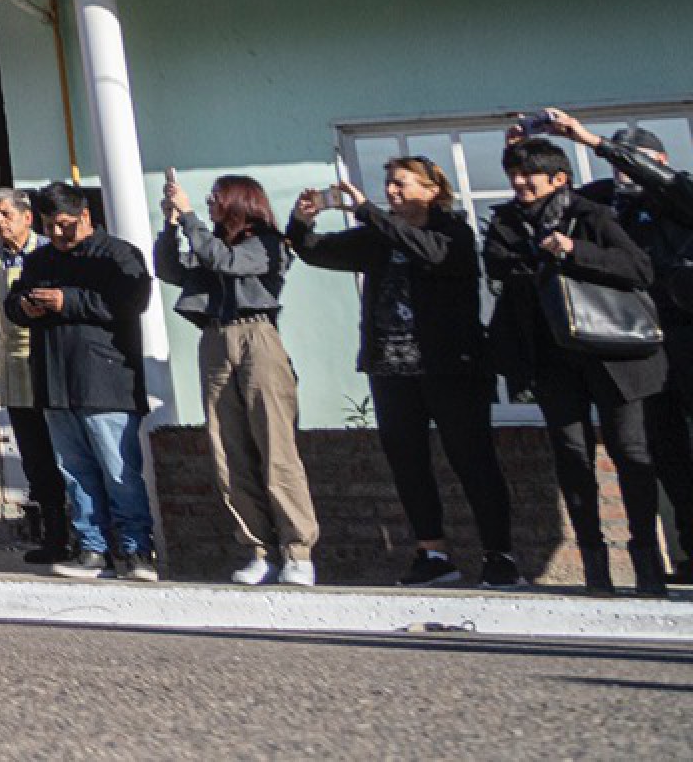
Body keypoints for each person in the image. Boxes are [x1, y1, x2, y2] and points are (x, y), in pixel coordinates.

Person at [288, 158, 513, 587]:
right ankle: (433, 554)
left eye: (401, 184)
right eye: (388, 183)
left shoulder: (453, 231)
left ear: (431, 190)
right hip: (391, 368)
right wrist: (301, 223)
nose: (391, 191)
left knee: (473, 460)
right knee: (408, 463)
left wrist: (367, 211)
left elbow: (428, 252)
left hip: (450, 368)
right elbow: (316, 251)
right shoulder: (377, 236)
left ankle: (499, 554)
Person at [485, 134, 672, 595]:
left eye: (529, 173)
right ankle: (595, 565)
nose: (520, 182)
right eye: (514, 173)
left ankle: (646, 559)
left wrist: (572, 250)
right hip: (552, 356)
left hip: (613, 353)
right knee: (572, 456)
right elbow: (497, 266)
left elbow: (639, 269)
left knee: (631, 453)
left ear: (559, 179)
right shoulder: (506, 221)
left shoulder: (591, 215)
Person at [542, 108, 693, 573]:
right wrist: (525, 152)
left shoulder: (681, 194)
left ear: (660, 161)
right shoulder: (607, 204)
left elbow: (665, 185)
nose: (624, 173)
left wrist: (591, 140)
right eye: (618, 165)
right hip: (640, 347)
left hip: (686, 333)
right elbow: (549, 200)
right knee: (665, 450)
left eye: (636, 162)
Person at [156, 171, 317, 586]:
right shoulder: (208, 241)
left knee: (275, 445)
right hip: (214, 338)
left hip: (257, 335)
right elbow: (171, 269)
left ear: (238, 202)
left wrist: (190, 217)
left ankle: (297, 549)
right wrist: (172, 223)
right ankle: (258, 547)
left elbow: (225, 264)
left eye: (215, 198)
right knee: (227, 448)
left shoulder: (266, 242)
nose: (209, 204)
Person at [7, 184, 155, 582]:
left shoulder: (117, 255)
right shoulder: (39, 260)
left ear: (85, 216)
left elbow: (129, 303)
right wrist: (24, 306)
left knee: (118, 469)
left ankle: (136, 549)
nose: (57, 234)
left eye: (65, 226)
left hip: (106, 381)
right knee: (74, 471)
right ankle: (92, 547)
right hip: (56, 381)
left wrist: (65, 302)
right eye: (50, 226)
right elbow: (14, 302)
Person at [0, 186, 68, 564]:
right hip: (11, 364)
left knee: (64, 451)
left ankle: (88, 535)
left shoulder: (48, 254)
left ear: (27, 217)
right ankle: (54, 536)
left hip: (48, 359)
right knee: (33, 455)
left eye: (5, 214)